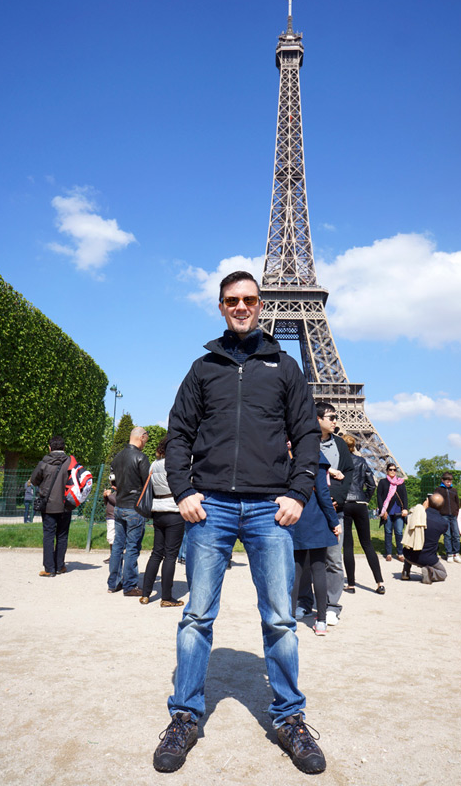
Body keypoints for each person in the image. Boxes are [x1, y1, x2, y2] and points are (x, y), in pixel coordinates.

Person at [153, 270, 326, 775]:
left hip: (270, 507)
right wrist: (183, 490)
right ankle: (185, 716)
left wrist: (299, 491)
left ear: (262, 303)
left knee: (280, 619)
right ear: (221, 306)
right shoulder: (203, 368)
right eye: (232, 300)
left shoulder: (285, 367)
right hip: (211, 507)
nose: (242, 306)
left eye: (249, 298)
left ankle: (290, 718)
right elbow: (179, 433)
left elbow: (307, 434)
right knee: (196, 616)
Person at [296, 402, 353, 627]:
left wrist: (336, 497)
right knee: (304, 562)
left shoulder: (339, 444)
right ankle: (304, 601)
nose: (335, 421)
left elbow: (348, 473)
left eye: (336, 417)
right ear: (317, 418)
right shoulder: (302, 442)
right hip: (309, 510)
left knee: (333, 560)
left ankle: (331, 606)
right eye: (331, 417)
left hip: (333, 509)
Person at [291, 450, 341, 635]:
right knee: (319, 570)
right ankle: (321, 621)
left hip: (296, 517)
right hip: (316, 518)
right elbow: (323, 493)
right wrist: (334, 521)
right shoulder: (316, 456)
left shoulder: (290, 455)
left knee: (295, 571)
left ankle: (289, 619)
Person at [140, 434, 185, 607]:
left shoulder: (154, 464)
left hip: (157, 510)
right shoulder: (178, 464)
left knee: (156, 553)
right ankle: (166, 597)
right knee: (170, 556)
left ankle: (145, 594)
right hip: (174, 509)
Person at [107, 427, 150, 597]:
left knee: (118, 545)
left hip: (119, 506)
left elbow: (113, 482)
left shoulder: (117, 457)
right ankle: (130, 585)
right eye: (146, 439)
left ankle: (113, 583)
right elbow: (147, 483)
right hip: (134, 507)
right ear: (142, 437)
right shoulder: (141, 457)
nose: (145, 443)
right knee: (132, 547)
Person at [341, 435, 385, 594]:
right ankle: (380, 582)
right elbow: (372, 485)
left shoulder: (339, 462)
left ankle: (351, 585)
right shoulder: (361, 461)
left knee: (347, 545)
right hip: (360, 504)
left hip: (345, 504)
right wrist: (364, 498)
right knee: (367, 544)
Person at [31, 435, 73, 577]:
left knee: (48, 536)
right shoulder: (70, 463)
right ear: (64, 448)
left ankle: (49, 568)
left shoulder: (44, 463)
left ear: (49, 448)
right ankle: (60, 566)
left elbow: (34, 480)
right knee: (62, 535)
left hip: (48, 505)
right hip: (66, 504)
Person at [401, 493, 448, 583]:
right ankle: (430, 572)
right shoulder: (443, 523)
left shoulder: (416, 516)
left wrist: (422, 508)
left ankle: (406, 571)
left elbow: (407, 520)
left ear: (427, 502)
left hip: (408, 555)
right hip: (428, 559)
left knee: (413, 539)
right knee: (443, 573)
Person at [377, 463, 408, 561]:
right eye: (390, 469)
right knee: (388, 532)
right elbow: (379, 497)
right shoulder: (383, 482)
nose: (392, 471)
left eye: (394, 470)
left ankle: (400, 553)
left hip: (398, 510)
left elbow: (404, 496)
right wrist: (383, 511)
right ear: (387, 471)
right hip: (387, 511)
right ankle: (389, 553)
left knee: (399, 532)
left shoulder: (400, 482)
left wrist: (405, 508)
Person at [435, 471, 461, 563]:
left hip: (453, 515)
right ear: (442, 480)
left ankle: (456, 553)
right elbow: (436, 502)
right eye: (447, 481)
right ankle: (449, 554)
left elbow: (457, 502)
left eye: (450, 481)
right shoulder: (438, 490)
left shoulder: (454, 490)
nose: (449, 483)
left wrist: (456, 512)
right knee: (447, 535)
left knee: (456, 535)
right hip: (444, 515)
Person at [102, 477, 117, 563]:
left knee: (112, 538)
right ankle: (113, 555)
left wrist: (109, 495)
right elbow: (107, 503)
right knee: (111, 538)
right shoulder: (113, 493)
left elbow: (116, 502)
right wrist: (105, 497)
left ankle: (114, 556)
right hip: (110, 518)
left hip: (114, 518)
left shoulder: (119, 493)